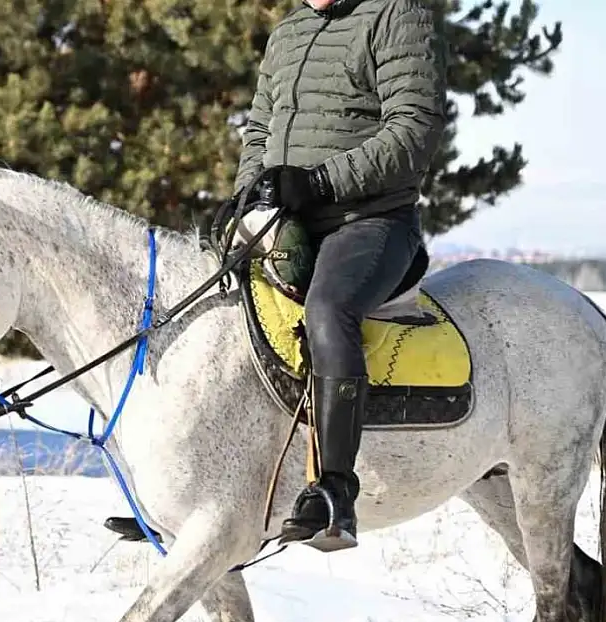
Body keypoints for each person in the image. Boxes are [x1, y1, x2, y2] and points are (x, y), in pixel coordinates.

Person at [104, 0, 447, 549]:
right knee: (208, 309)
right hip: (287, 220)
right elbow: (260, 130)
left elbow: (413, 131)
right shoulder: (289, 32)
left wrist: (316, 184)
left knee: (327, 311)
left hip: (370, 222)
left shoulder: (397, 16)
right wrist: (250, 196)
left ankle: (335, 490)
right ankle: (193, 495)